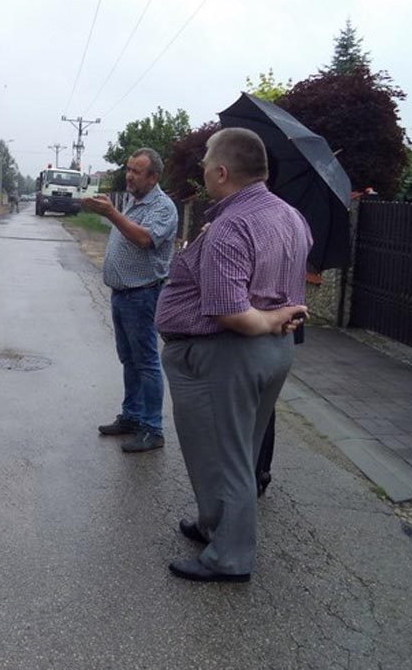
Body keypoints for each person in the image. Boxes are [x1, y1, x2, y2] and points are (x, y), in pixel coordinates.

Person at [155, 127, 310, 583]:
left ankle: (230, 556)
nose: (202, 167)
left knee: (226, 458)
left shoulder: (230, 227)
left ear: (221, 172)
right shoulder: (289, 215)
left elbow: (231, 313)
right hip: (271, 355)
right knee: (237, 448)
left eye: (206, 161)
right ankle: (213, 526)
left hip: (227, 354)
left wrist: (263, 319)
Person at [81, 148, 177, 453]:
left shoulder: (163, 207)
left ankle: (153, 428)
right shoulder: (134, 203)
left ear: (154, 177)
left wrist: (111, 213)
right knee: (129, 359)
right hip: (123, 294)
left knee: (146, 362)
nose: (129, 175)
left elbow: (144, 239)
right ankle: (132, 417)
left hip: (143, 294)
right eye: (128, 169)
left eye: (137, 171)